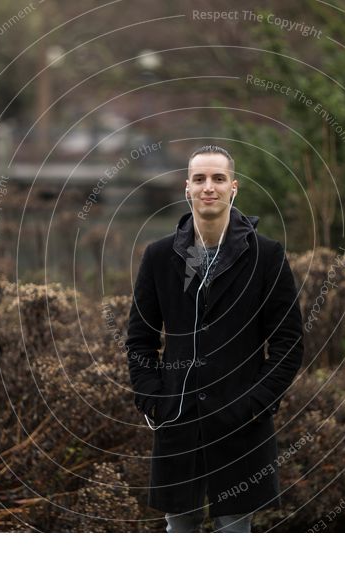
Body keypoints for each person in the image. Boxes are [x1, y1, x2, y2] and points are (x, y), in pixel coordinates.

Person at [126, 145, 303, 533]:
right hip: (177, 422)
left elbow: (289, 343)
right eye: (200, 179)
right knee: (180, 537)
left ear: (233, 188)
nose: (210, 187)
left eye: (218, 179)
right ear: (186, 188)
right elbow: (140, 338)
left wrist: (254, 405)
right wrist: (154, 398)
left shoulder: (267, 255)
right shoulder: (158, 257)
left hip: (242, 425)